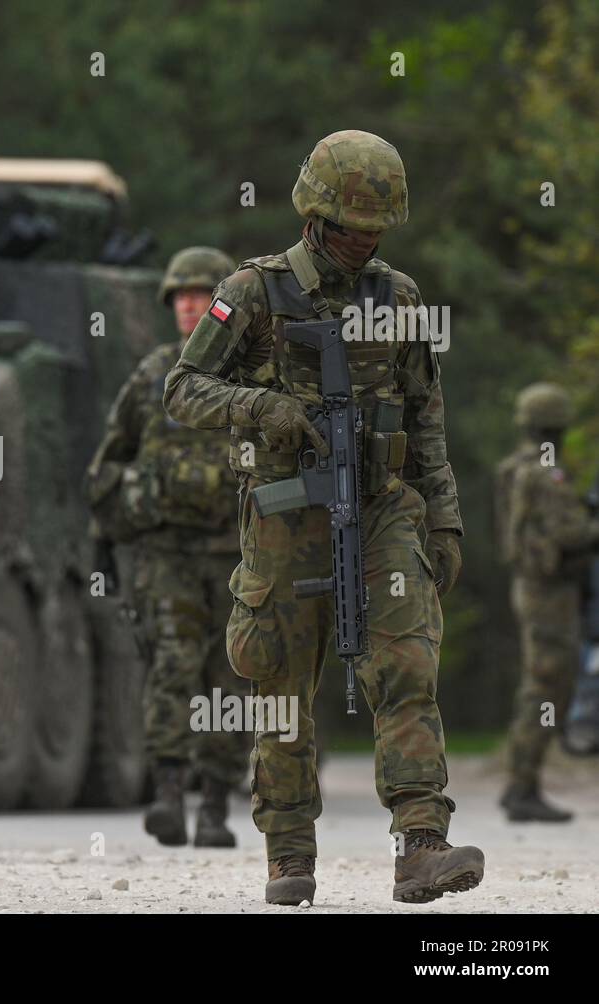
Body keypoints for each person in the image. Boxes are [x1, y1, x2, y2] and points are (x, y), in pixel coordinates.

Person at [164, 129, 484, 906]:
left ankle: (421, 840)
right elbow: (181, 389)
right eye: (350, 229)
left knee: (406, 664)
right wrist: (261, 405)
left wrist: (443, 519)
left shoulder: (400, 298)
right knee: (280, 686)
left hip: (383, 509)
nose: (363, 243)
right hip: (284, 513)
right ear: (315, 216)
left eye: (375, 231)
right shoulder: (253, 290)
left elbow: (426, 419)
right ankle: (288, 851)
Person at [86, 245, 248, 847]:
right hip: (167, 556)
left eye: (199, 295)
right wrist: (109, 531)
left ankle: (214, 805)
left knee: (230, 680)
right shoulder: (154, 375)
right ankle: (168, 795)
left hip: (235, 554)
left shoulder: (250, 373)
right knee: (171, 669)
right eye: (178, 297)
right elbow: (109, 462)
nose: (187, 306)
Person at [495, 382, 599, 821]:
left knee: (543, 685)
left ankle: (522, 783)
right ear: (559, 422)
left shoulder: (515, 465)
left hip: (534, 587)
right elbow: (569, 534)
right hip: (549, 592)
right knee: (545, 688)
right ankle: (522, 786)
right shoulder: (545, 469)